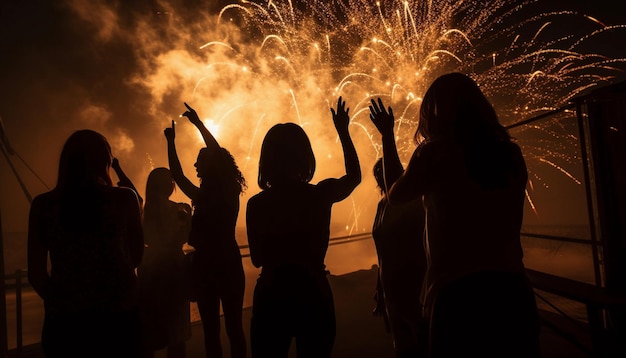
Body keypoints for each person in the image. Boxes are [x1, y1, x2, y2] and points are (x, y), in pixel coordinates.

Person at [387, 73, 540, 357]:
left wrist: (392, 140)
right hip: (514, 291)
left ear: (434, 113)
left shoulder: (434, 153)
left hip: (457, 294)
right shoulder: (511, 154)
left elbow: (395, 196)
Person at [246, 97, 361, 358]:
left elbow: (256, 258)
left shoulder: (257, 203)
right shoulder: (320, 194)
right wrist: (343, 131)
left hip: (272, 296)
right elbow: (354, 176)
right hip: (313, 292)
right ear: (304, 156)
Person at [27, 129, 144, 358]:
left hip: (64, 322)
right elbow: (136, 256)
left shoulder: (43, 205)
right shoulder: (124, 198)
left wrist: (63, 301)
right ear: (105, 161)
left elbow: (36, 273)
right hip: (117, 315)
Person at [164, 103, 247, 358]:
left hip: (211, 264)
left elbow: (214, 157)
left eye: (200, 161)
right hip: (225, 262)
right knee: (229, 328)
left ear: (212, 165)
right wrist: (171, 141)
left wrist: (199, 124)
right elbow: (177, 174)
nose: (196, 165)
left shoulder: (220, 192)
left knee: (220, 329)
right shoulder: (216, 194)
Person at [369, 98, 428, 358]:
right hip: (393, 292)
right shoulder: (381, 208)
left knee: (422, 347)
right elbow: (382, 252)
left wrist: (386, 134)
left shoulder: (411, 200)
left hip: (415, 291)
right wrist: (380, 289)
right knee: (404, 350)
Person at [138, 167, 192, 358]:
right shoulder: (178, 209)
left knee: (149, 331)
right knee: (175, 332)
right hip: (174, 267)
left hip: (149, 267)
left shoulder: (144, 212)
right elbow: (186, 237)